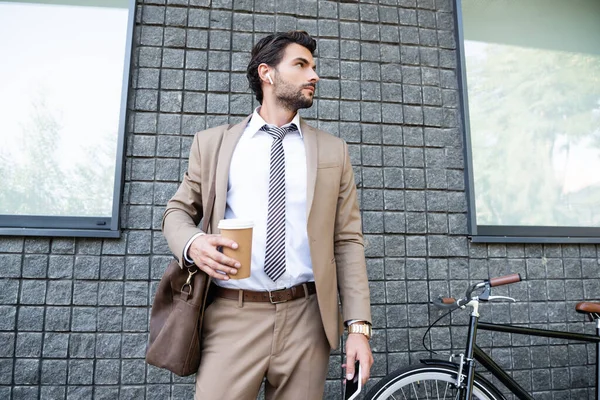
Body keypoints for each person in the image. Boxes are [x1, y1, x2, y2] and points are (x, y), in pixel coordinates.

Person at [162, 30, 373, 400]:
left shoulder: (333, 151)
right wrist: (193, 244)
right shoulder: (213, 144)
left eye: (314, 66)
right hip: (232, 315)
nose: (314, 75)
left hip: (308, 321)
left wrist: (358, 327)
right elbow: (177, 211)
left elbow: (348, 240)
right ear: (267, 73)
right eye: (301, 64)